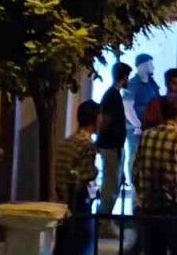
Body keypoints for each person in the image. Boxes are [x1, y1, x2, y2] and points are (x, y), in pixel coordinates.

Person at [133, 96, 177, 255]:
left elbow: (136, 170)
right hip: (174, 208)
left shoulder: (146, 135)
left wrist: (142, 197)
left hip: (150, 205)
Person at [56, 100, 101, 255]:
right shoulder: (87, 145)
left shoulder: (67, 141)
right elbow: (87, 175)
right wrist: (96, 172)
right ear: (95, 119)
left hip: (63, 203)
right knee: (82, 245)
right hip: (79, 203)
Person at [97, 62, 132, 222]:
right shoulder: (113, 96)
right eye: (127, 77)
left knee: (111, 183)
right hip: (111, 146)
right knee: (110, 185)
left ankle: (104, 220)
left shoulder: (112, 95)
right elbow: (105, 121)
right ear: (124, 77)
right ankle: (104, 221)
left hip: (112, 146)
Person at [127, 54, 161, 180]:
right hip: (137, 129)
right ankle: (134, 182)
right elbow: (127, 107)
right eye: (150, 64)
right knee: (135, 155)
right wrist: (137, 125)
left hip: (150, 128)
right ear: (142, 65)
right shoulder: (133, 84)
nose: (153, 67)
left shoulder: (152, 83)